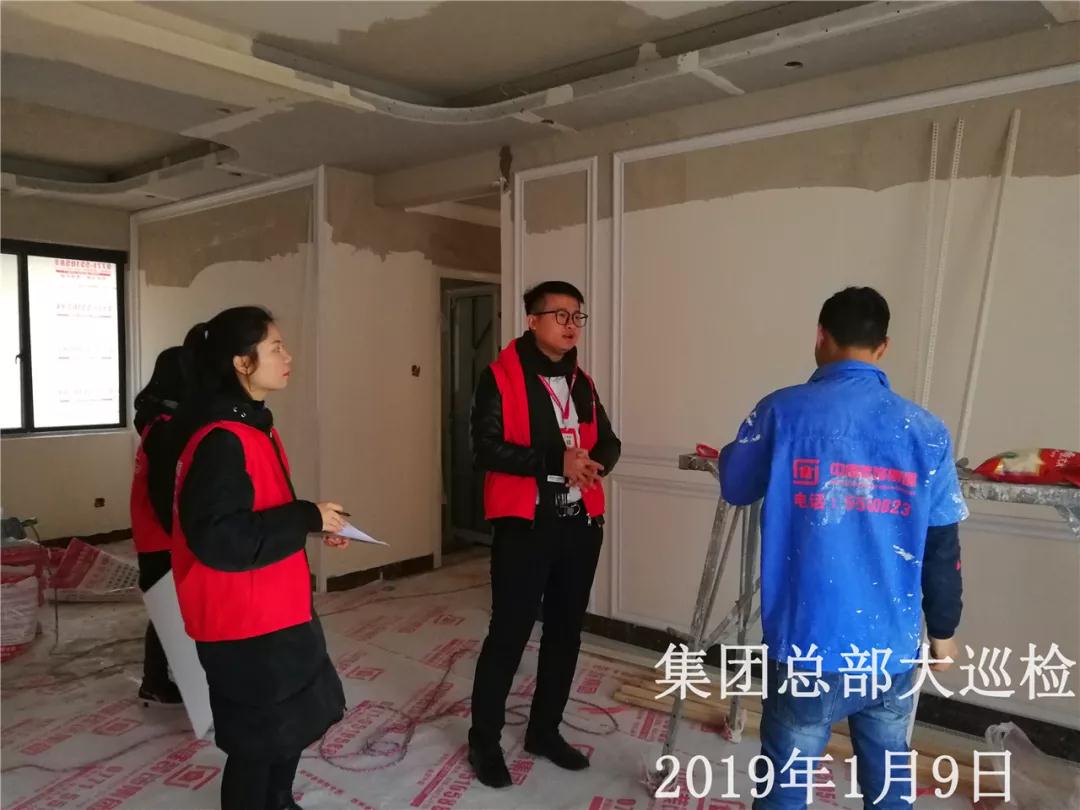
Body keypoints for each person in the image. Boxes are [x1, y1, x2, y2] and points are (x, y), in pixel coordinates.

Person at [718, 287, 966, 809]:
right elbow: (943, 546)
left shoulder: (781, 411)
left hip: (808, 644)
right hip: (891, 650)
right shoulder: (926, 431)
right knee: (889, 782)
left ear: (820, 337)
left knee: (786, 786)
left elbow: (736, 485)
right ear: (884, 347)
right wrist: (943, 633)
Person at [169, 307, 347, 810]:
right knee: (257, 742)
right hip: (245, 624)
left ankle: (280, 802)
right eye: (275, 348)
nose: (288, 357)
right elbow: (221, 539)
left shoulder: (253, 428)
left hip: (277, 610)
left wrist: (312, 523)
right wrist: (303, 515)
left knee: (289, 727)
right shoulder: (221, 440)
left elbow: (260, 513)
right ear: (241, 362)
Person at [468, 280, 621, 788]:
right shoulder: (500, 377)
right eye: (560, 315)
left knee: (564, 632)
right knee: (509, 635)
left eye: (578, 316)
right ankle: (484, 742)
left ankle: (544, 730)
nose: (571, 325)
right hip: (526, 526)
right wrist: (557, 462)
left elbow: (610, 441)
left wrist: (595, 465)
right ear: (532, 321)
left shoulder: (582, 382)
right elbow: (486, 448)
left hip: (578, 525)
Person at [131, 346, 185, 705]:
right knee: (168, 609)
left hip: (153, 534)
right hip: (161, 536)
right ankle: (155, 681)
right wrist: (182, 536)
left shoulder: (158, 419)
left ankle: (156, 679)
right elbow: (164, 491)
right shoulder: (166, 427)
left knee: (166, 608)